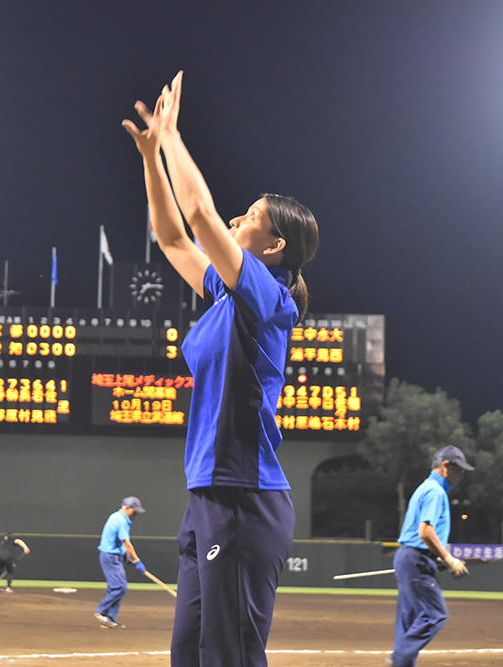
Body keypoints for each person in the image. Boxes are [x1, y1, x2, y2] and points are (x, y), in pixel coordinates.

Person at [123, 71, 320, 667]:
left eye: (252, 215)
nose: (238, 218)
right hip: (208, 498)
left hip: (244, 500)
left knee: (229, 658)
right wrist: (153, 159)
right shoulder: (231, 298)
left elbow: (202, 216)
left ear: (274, 246)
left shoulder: (267, 296)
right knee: (191, 654)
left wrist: (175, 137)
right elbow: (172, 237)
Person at [388, 445, 474, 667]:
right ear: (446, 467)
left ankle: (402, 663)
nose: (461, 475)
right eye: (459, 469)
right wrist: (449, 558)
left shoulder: (425, 487)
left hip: (409, 557)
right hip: (417, 560)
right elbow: (425, 531)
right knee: (434, 614)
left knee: (409, 618)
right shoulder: (436, 492)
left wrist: (437, 557)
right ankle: (400, 657)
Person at [94, 497, 146, 629]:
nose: (135, 514)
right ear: (127, 508)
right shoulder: (121, 520)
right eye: (134, 511)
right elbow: (127, 543)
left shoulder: (116, 517)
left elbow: (117, 540)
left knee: (114, 587)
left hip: (113, 556)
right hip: (110, 557)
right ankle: (101, 611)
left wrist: (126, 555)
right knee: (121, 587)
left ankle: (110, 618)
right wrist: (136, 560)